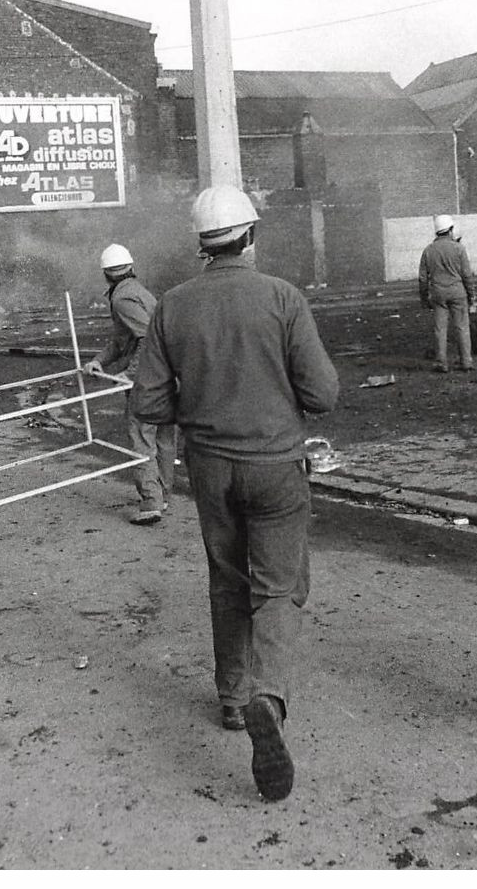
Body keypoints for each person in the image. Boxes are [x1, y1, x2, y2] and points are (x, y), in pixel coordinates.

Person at [132, 185, 339, 801]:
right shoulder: (282, 298)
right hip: (275, 465)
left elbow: (147, 401)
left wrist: (194, 404)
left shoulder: (171, 305)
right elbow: (322, 394)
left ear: (203, 244)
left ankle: (230, 699)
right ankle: (266, 698)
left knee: (227, 580)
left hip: (210, 467)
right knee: (277, 588)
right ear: (250, 237)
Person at [82, 243, 176, 525]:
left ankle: (151, 502)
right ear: (130, 267)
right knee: (163, 438)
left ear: (105, 273)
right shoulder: (138, 291)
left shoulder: (122, 299)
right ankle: (163, 493)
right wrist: (100, 360)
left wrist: (132, 374)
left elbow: (147, 338)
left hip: (149, 380)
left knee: (141, 436)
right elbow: (123, 340)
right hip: (168, 374)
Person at [418, 214, 475, 372]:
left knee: (440, 329)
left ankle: (441, 363)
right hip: (457, 291)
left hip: (437, 293)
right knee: (462, 327)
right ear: (450, 230)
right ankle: (466, 361)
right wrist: (471, 295)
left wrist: (424, 298)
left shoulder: (428, 251)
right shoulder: (459, 248)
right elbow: (467, 275)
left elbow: (423, 279)